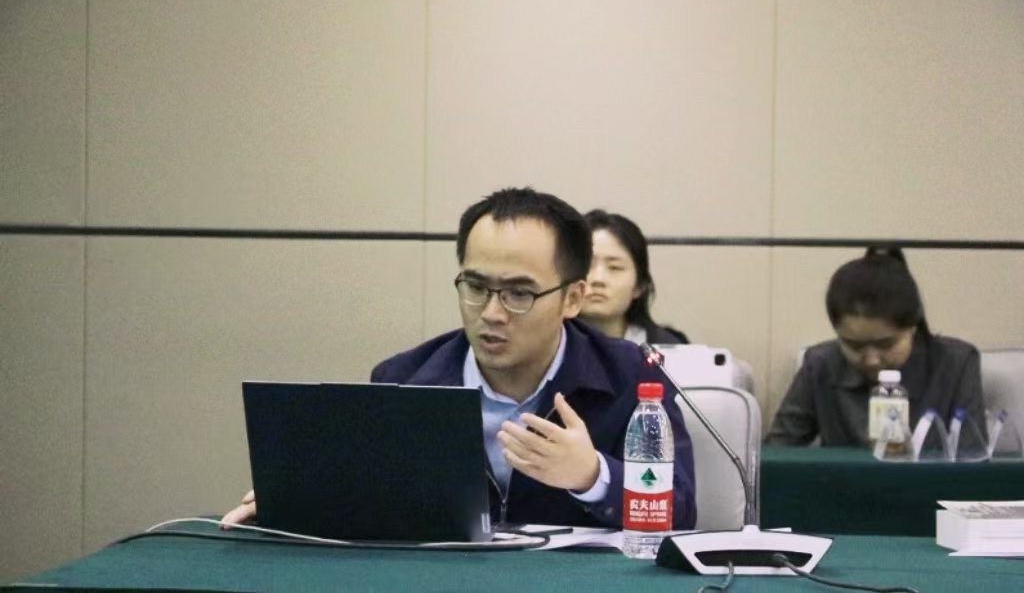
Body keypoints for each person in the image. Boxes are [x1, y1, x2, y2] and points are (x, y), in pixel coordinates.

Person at [223, 188, 696, 530]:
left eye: (519, 293)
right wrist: (307, 502)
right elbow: (375, 504)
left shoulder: (632, 375)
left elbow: (682, 510)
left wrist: (593, 476)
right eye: (475, 287)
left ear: (572, 298)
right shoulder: (405, 380)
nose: (491, 313)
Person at [767, 247, 986, 447]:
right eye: (854, 345)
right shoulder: (820, 364)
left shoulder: (956, 364)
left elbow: (973, 459)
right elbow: (776, 453)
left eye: (886, 344)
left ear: (913, 326)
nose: (871, 359)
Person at [579, 209, 689, 345]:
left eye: (615, 267)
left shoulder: (668, 348)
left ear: (639, 285)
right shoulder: (553, 345)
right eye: (586, 266)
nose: (598, 279)